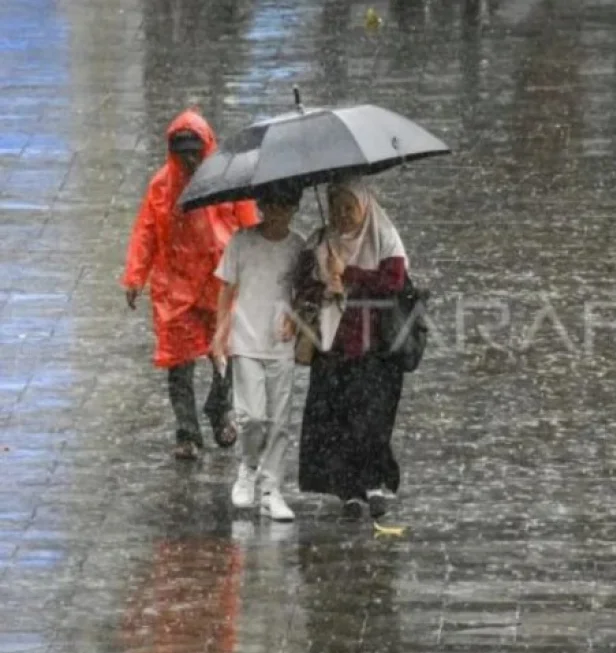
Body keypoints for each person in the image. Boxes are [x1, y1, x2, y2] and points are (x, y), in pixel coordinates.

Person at [122, 108, 259, 460]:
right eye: (182, 152)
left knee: (226, 352)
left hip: (219, 281)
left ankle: (219, 407)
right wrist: (136, 276)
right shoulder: (162, 187)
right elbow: (146, 232)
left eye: (194, 151)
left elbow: (248, 224)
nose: (188, 160)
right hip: (176, 285)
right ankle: (187, 432)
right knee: (179, 361)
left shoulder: (227, 181)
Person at [293, 178, 408, 521]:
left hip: (377, 345)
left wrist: (352, 274)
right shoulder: (319, 242)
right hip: (334, 344)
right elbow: (301, 284)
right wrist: (325, 283)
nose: (342, 216)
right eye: (337, 208)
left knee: (371, 417)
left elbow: (394, 281)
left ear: (365, 207)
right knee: (336, 419)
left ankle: (373, 482)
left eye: (350, 208)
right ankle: (348, 491)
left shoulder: (384, 236)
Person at [213, 182, 305, 521]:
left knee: (278, 421)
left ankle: (271, 488)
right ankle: (248, 467)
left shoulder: (298, 248)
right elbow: (226, 287)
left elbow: (306, 292)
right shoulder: (241, 242)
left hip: (280, 345)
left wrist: (295, 317)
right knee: (251, 417)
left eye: (287, 206)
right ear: (262, 206)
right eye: (273, 205)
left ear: (295, 208)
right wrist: (220, 333)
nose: (279, 214)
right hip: (246, 341)